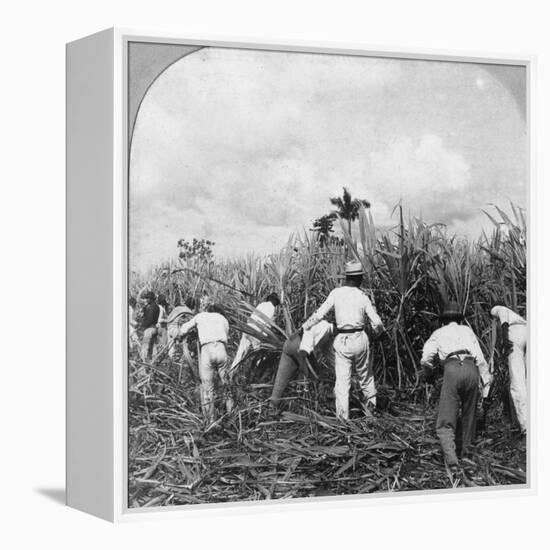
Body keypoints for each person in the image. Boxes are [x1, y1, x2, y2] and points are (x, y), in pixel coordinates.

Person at [302, 261, 383, 419]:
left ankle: (343, 420)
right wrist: (379, 333)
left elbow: (319, 314)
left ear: (346, 277)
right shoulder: (362, 296)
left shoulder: (336, 293)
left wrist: (305, 326)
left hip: (342, 340)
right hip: (360, 339)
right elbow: (377, 322)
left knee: (342, 381)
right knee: (365, 377)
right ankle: (371, 412)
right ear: (359, 278)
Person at [421, 301, 492, 469]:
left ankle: (451, 459)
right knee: (470, 415)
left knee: (446, 418)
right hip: (471, 368)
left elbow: (425, 359)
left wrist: (429, 373)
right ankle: (468, 455)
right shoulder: (467, 331)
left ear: (443, 320)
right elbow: (481, 360)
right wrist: (486, 388)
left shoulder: (438, 333)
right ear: (459, 319)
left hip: (452, 369)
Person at [170, 304, 232, 423]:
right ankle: (231, 415)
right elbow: (226, 336)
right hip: (221, 349)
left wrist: (180, 336)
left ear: (208, 310)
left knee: (207, 387)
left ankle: (210, 421)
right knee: (227, 385)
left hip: (207, 350)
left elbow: (183, 329)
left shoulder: (201, 316)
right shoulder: (223, 319)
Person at [270, 320, 334, 408]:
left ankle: (272, 407)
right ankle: (312, 407)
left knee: (280, 382)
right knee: (315, 378)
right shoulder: (325, 326)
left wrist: (337, 370)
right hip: (300, 345)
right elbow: (309, 332)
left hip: (290, 343)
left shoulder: (327, 335)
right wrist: (303, 356)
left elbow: (329, 356)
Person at [490, 304, 527, 434]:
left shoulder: (497, 309)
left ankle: (525, 426)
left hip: (515, 335)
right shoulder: (517, 316)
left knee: (518, 382)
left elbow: (504, 320)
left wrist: (505, 340)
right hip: (527, 331)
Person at [229, 292, 281, 372]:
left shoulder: (261, 304)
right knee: (259, 354)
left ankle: (231, 372)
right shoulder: (272, 308)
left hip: (248, 327)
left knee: (240, 352)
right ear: (275, 302)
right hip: (257, 331)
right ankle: (256, 374)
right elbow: (266, 323)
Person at [139, 290, 160, 362]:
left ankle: (144, 364)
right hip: (154, 328)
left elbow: (149, 319)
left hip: (149, 329)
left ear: (151, 299)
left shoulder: (151, 307)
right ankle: (154, 362)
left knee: (145, 347)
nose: (146, 299)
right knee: (153, 347)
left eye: (147, 298)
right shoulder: (156, 307)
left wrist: (142, 325)